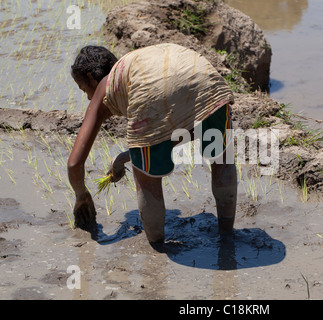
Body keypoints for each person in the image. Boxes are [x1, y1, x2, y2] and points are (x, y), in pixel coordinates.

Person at [67, 43, 237, 244]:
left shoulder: (105, 85)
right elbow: (185, 132)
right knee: (222, 158)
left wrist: (81, 196)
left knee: (147, 180)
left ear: (90, 77)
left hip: (153, 93)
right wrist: (124, 158)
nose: (88, 97)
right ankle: (227, 235)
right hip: (204, 76)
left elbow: (74, 163)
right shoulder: (138, 62)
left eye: (84, 89)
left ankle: (157, 252)